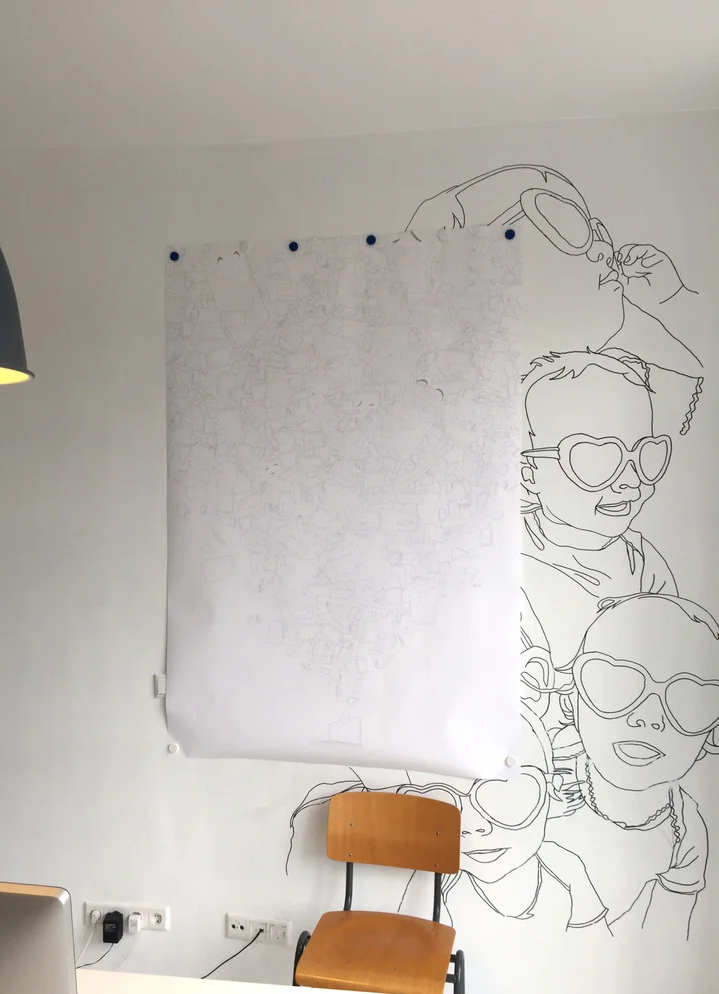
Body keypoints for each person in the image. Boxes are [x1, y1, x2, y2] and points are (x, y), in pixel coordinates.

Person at [402, 163, 703, 435]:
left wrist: (673, 298)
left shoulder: (650, 389)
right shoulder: (495, 422)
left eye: (595, 230)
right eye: (569, 228)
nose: (603, 250)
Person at [287, 706, 608, 935]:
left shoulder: (574, 881)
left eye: (506, 797)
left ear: (553, 791)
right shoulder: (436, 896)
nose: (474, 825)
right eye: (442, 797)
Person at [549, 593, 719, 939]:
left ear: (711, 733)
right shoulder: (544, 784)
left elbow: (668, 938)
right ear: (571, 698)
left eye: (686, 698)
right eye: (616, 682)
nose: (648, 717)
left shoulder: (687, 831)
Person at [520, 349, 676, 668]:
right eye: (596, 457)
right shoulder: (513, 560)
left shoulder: (642, 562)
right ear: (529, 473)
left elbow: (677, 647)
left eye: (646, 454)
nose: (630, 481)